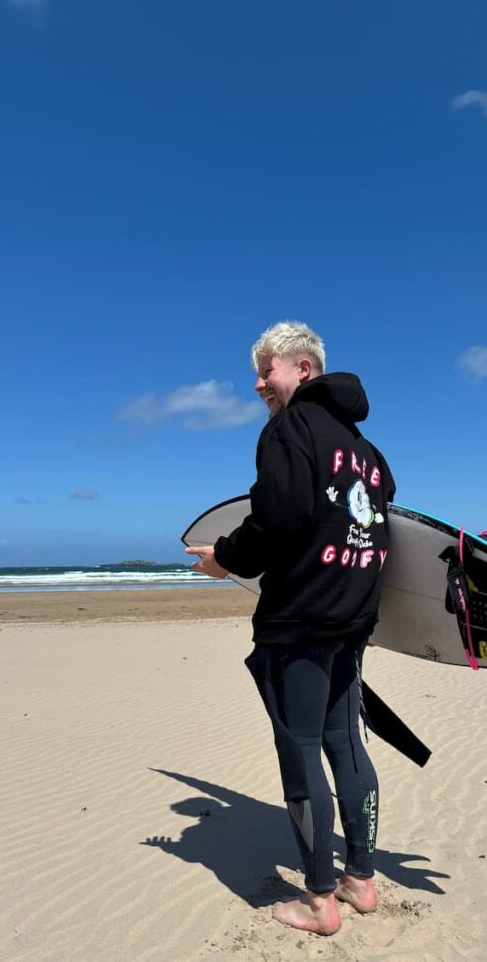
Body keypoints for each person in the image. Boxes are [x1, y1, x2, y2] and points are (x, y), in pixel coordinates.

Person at [184, 321, 394, 936]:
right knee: (346, 743)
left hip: (299, 618)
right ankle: (361, 879)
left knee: (299, 748)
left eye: (266, 370)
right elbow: (378, 532)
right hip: (352, 620)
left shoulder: (288, 429)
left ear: (304, 369)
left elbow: (278, 517)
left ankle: (320, 899)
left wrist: (225, 558)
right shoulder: (368, 454)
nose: (257, 384)